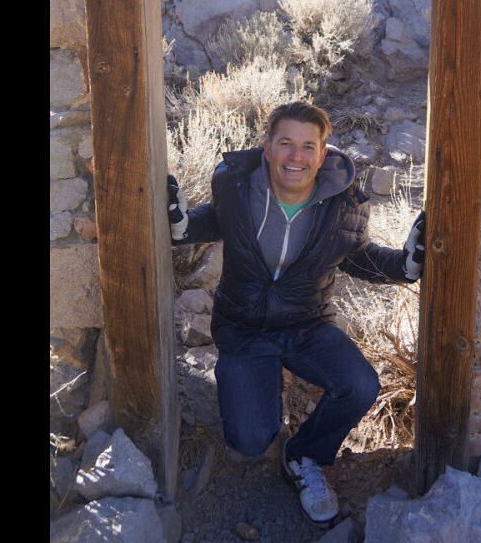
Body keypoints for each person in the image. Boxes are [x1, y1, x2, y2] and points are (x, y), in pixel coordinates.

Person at [167, 101, 425, 528]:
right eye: (286, 143)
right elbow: (217, 220)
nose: (296, 157)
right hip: (243, 326)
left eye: (308, 147)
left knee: (360, 385)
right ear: (267, 147)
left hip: (307, 324)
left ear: (322, 155)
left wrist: (406, 267)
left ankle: (305, 454)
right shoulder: (235, 185)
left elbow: (358, 256)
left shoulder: (344, 204)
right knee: (250, 441)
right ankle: (264, 399)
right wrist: (182, 228)